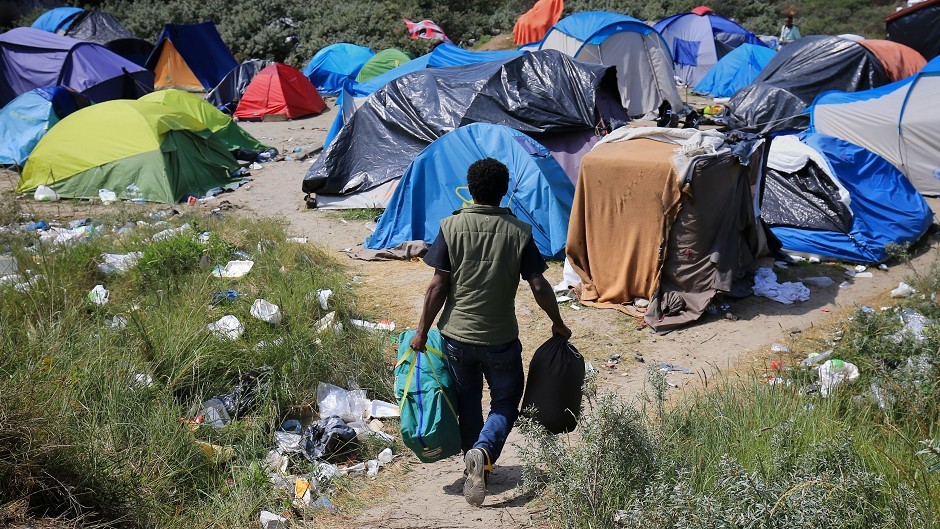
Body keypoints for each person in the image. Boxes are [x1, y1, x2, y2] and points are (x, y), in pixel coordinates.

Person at [409, 157, 571, 507]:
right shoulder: (518, 231)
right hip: (499, 338)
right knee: (506, 401)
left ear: (471, 189)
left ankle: (474, 460)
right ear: (503, 191)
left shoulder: (450, 227)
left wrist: (422, 331)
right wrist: (556, 322)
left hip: (456, 337)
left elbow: (438, 286)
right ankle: (483, 453)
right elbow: (540, 285)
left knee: (468, 401)